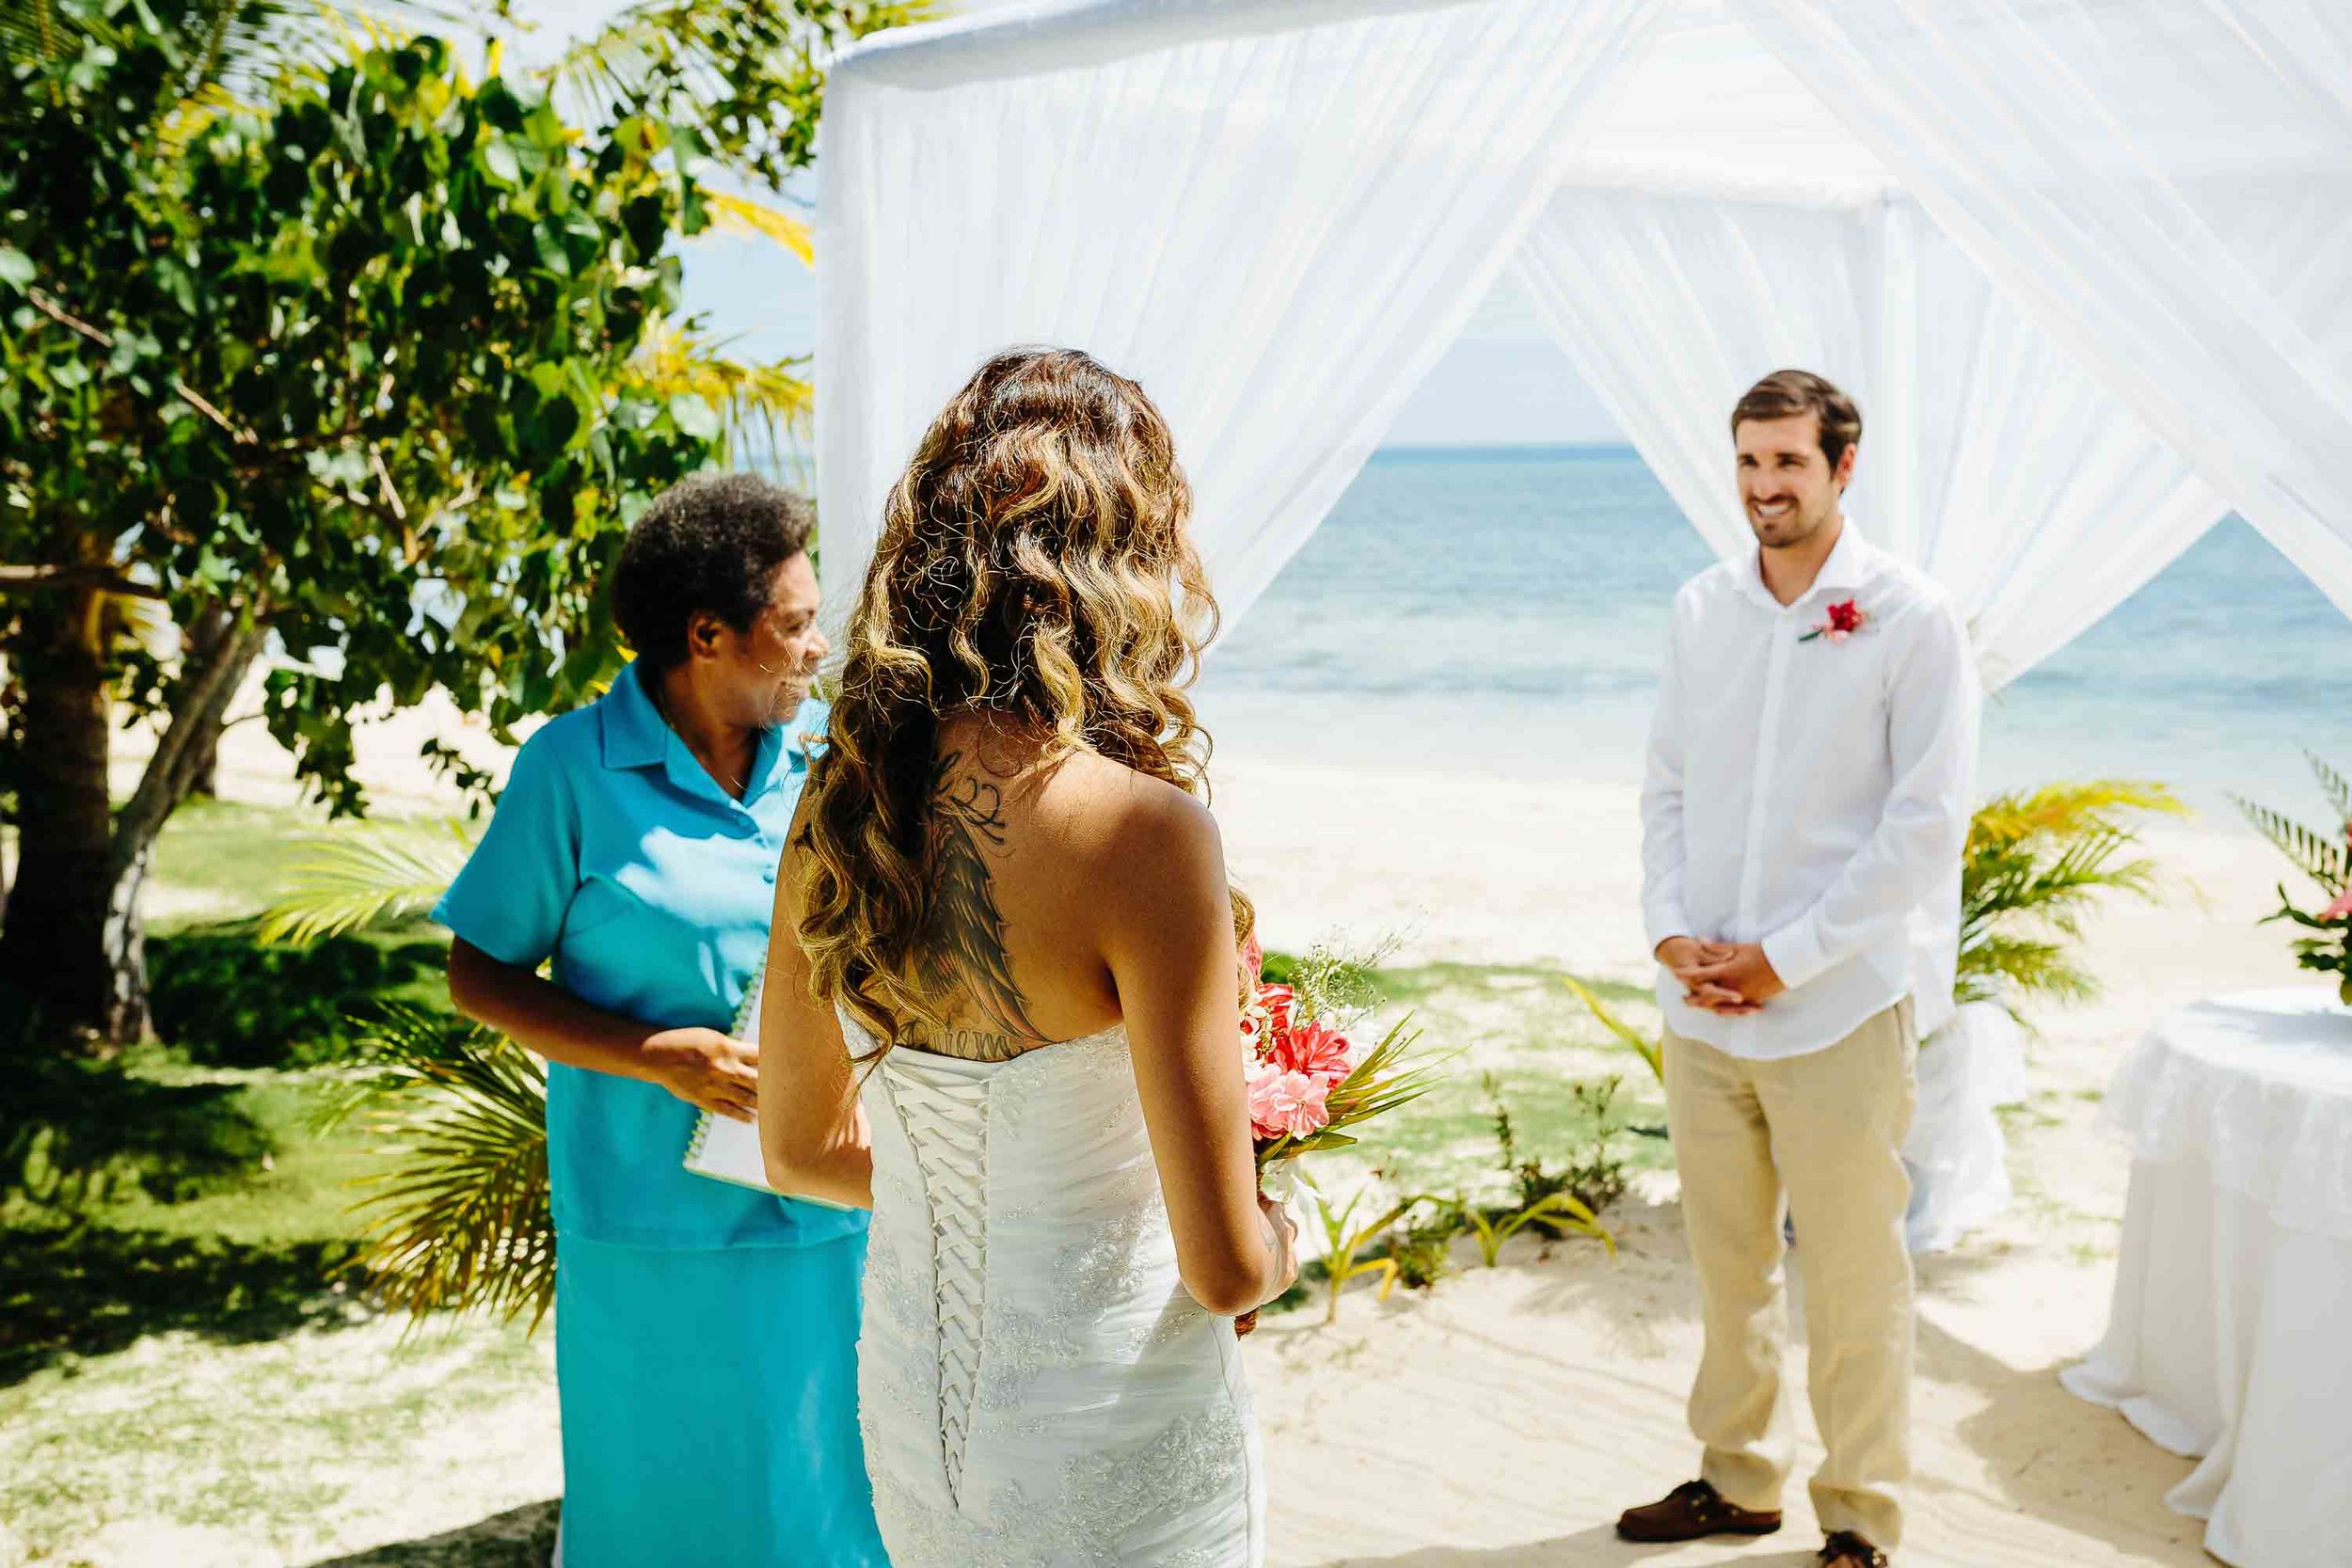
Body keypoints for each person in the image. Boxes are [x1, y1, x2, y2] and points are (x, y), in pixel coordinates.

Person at [756, 346, 1299, 1565]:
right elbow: (1224, 1271)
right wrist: (1285, 1220)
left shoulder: (838, 805)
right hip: (1119, 1441)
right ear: (1125, 562)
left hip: (913, 1422)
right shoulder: (1146, 837)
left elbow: (796, 1148)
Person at [435, 473, 884, 1567]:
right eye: (794, 624)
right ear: (706, 635)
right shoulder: (570, 770)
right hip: (649, 1232)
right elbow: (479, 971)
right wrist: (653, 1056)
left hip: (828, 1217)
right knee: (664, 1516)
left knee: (832, 1504)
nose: (820, 646)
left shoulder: (831, 761)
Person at [1619, 370, 1978, 1568]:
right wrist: (1671, 931)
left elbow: (1925, 831)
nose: (1765, 486)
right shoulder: (1700, 608)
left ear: (1842, 466)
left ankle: (1861, 1514)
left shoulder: (1911, 616)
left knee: (1854, 1279)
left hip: (1836, 1010)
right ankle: (1737, 1478)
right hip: (1702, 1008)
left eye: (1788, 462)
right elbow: (1667, 785)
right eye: (1748, 461)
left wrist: (1788, 958)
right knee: (1725, 1270)